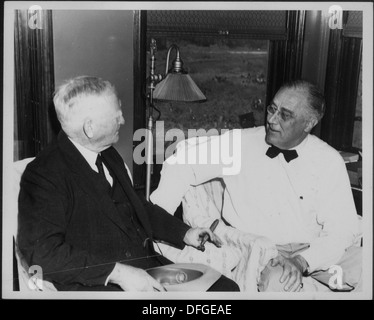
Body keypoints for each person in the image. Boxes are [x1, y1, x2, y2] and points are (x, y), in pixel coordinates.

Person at [17, 76, 240, 292]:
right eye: (116, 115)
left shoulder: (108, 154)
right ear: (90, 128)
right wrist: (118, 273)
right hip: (103, 286)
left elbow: (138, 208)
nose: (122, 120)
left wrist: (185, 232)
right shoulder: (44, 174)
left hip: (149, 269)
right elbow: (42, 253)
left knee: (227, 289)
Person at [150, 80, 362, 292]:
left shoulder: (328, 161)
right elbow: (181, 162)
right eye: (272, 108)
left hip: (313, 248)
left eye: (284, 115)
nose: (271, 119)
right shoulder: (241, 144)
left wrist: (303, 260)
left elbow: (342, 229)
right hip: (265, 251)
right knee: (281, 284)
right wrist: (158, 221)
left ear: (309, 124)